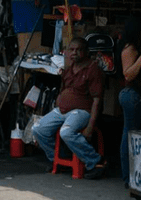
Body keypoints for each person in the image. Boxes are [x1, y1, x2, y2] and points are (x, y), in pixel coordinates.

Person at [32, 37, 107, 179]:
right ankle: (58, 159)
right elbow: (64, 89)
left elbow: (97, 99)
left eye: (79, 50)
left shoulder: (92, 69)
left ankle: (96, 161)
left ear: (86, 52)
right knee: (37, 129)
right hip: (62, 111)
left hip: (82, 111)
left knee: (66, 133)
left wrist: (90, 126)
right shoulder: (69, 68)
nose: (74, 53)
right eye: (71, 50)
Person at [118, 17, 141, 187]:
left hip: (132, 95)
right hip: (131, 95)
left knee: (132, 134)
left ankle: (132, 177)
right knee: (131, 135)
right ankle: (129, 178)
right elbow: (128, 74)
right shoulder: (130, 49)